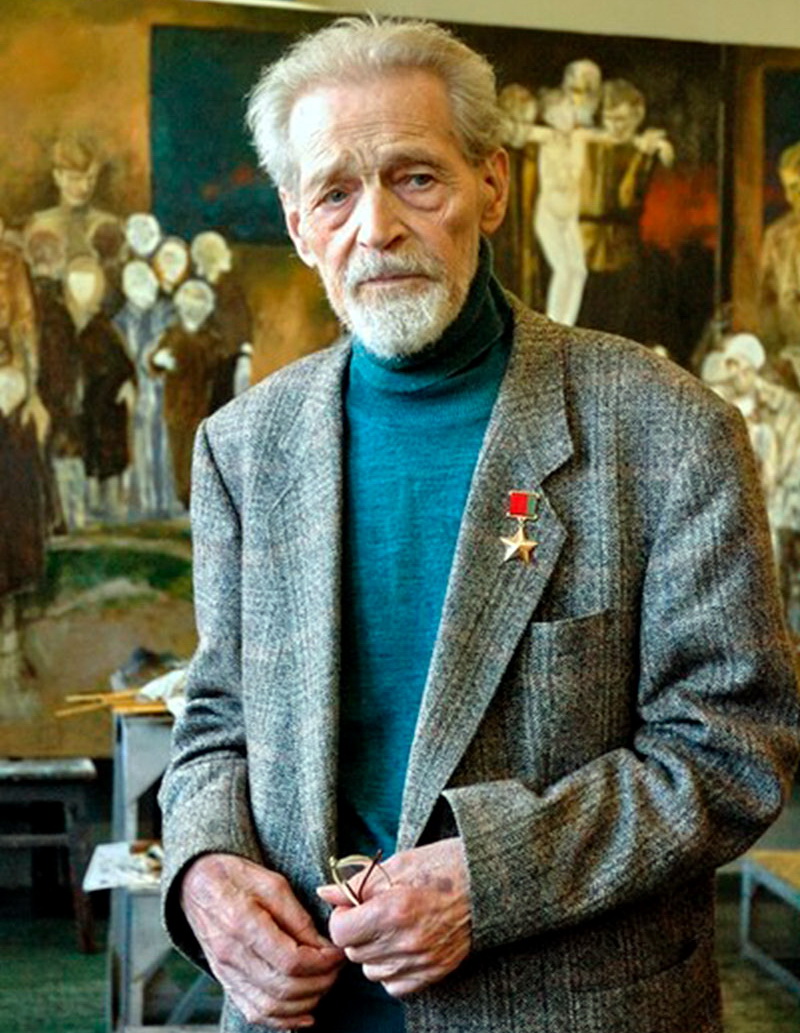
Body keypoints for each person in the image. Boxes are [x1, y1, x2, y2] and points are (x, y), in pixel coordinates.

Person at [159, 17, 800, 1033]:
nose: (375, 227)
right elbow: (214, 724)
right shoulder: (242, 448)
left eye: (415, 178)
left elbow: (734, 745)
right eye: (335, 192)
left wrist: (493, 877)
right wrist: (201, 869)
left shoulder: (668, 428)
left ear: (491, 186)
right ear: (298, 224)